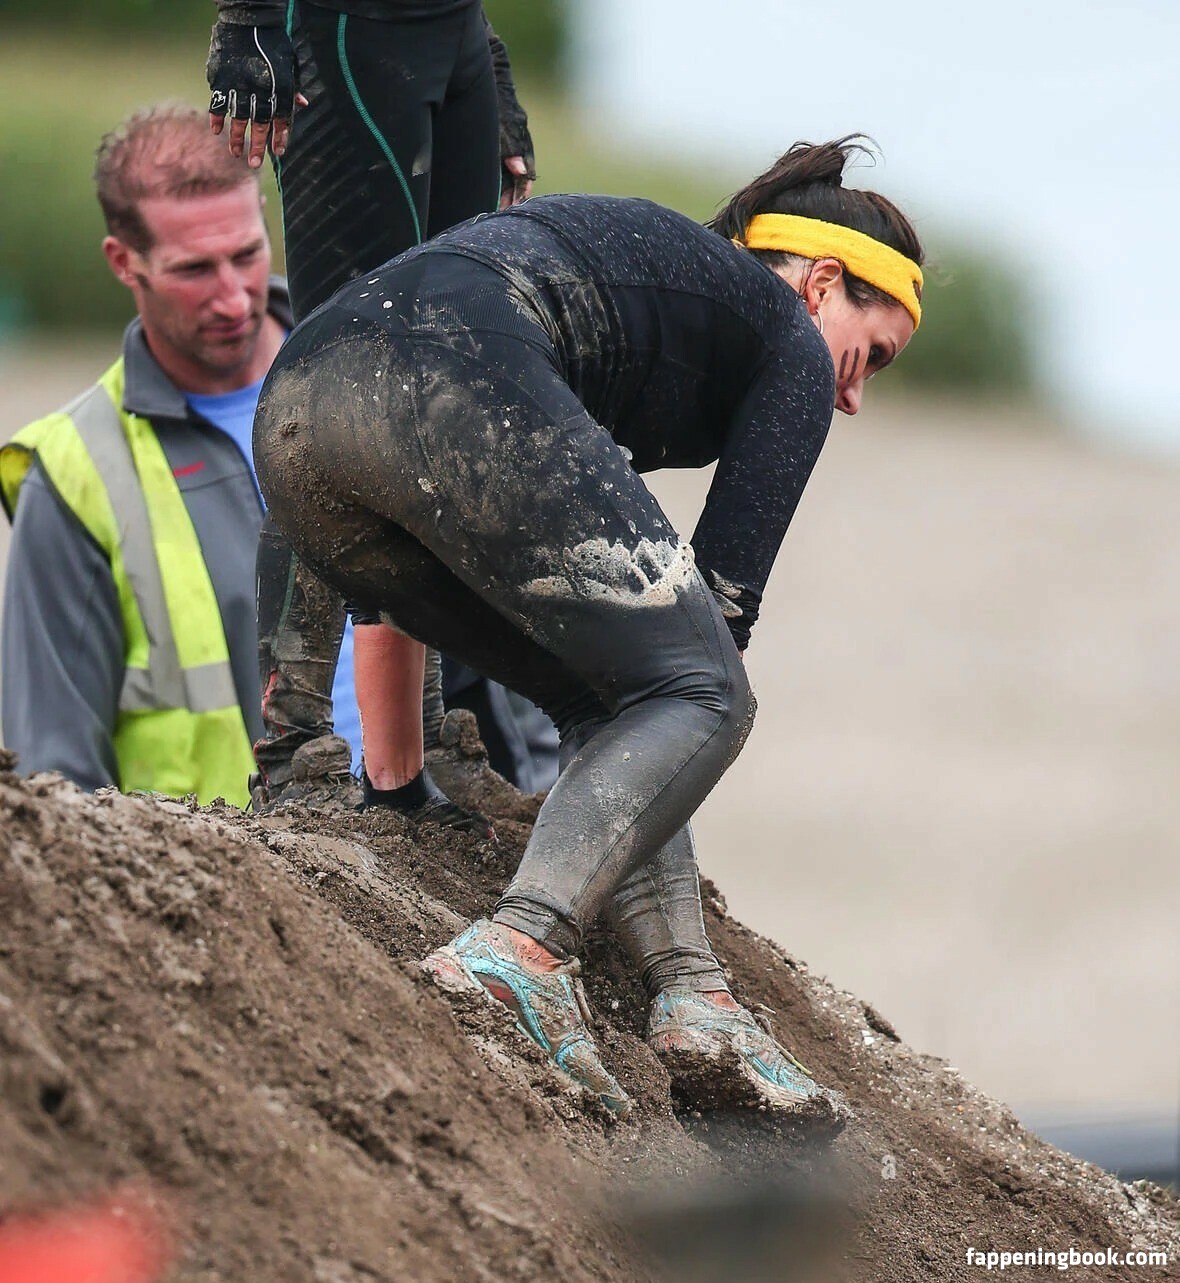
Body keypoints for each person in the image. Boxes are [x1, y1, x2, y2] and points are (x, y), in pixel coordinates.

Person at [252, 137, 923, 1121]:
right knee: (704, 692)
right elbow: (709, 643)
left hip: (297, 404)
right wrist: (684, 690)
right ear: (822, 282)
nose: (852, 395)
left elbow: (394, 518)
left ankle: (695, 996)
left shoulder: (650, 296)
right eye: (872, 355)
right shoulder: (785, 335)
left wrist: (379, 776)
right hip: (452, 369)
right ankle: (522, 945)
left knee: (626, 690)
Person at [205, 0, 557, 814]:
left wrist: (488, 55)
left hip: (453, 30)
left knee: (435, 399)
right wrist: (248, 17)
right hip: (348, 33)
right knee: (335, 398)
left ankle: (410, 764)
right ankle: (293, 756)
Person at [0, 105, 363, 807]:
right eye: (194, 269)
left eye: (247, 255)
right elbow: (54, 792)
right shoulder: (75, 473)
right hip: (237, 870)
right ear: (123, 262)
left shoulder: (368, 371)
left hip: (434, 852)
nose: (232, 297)